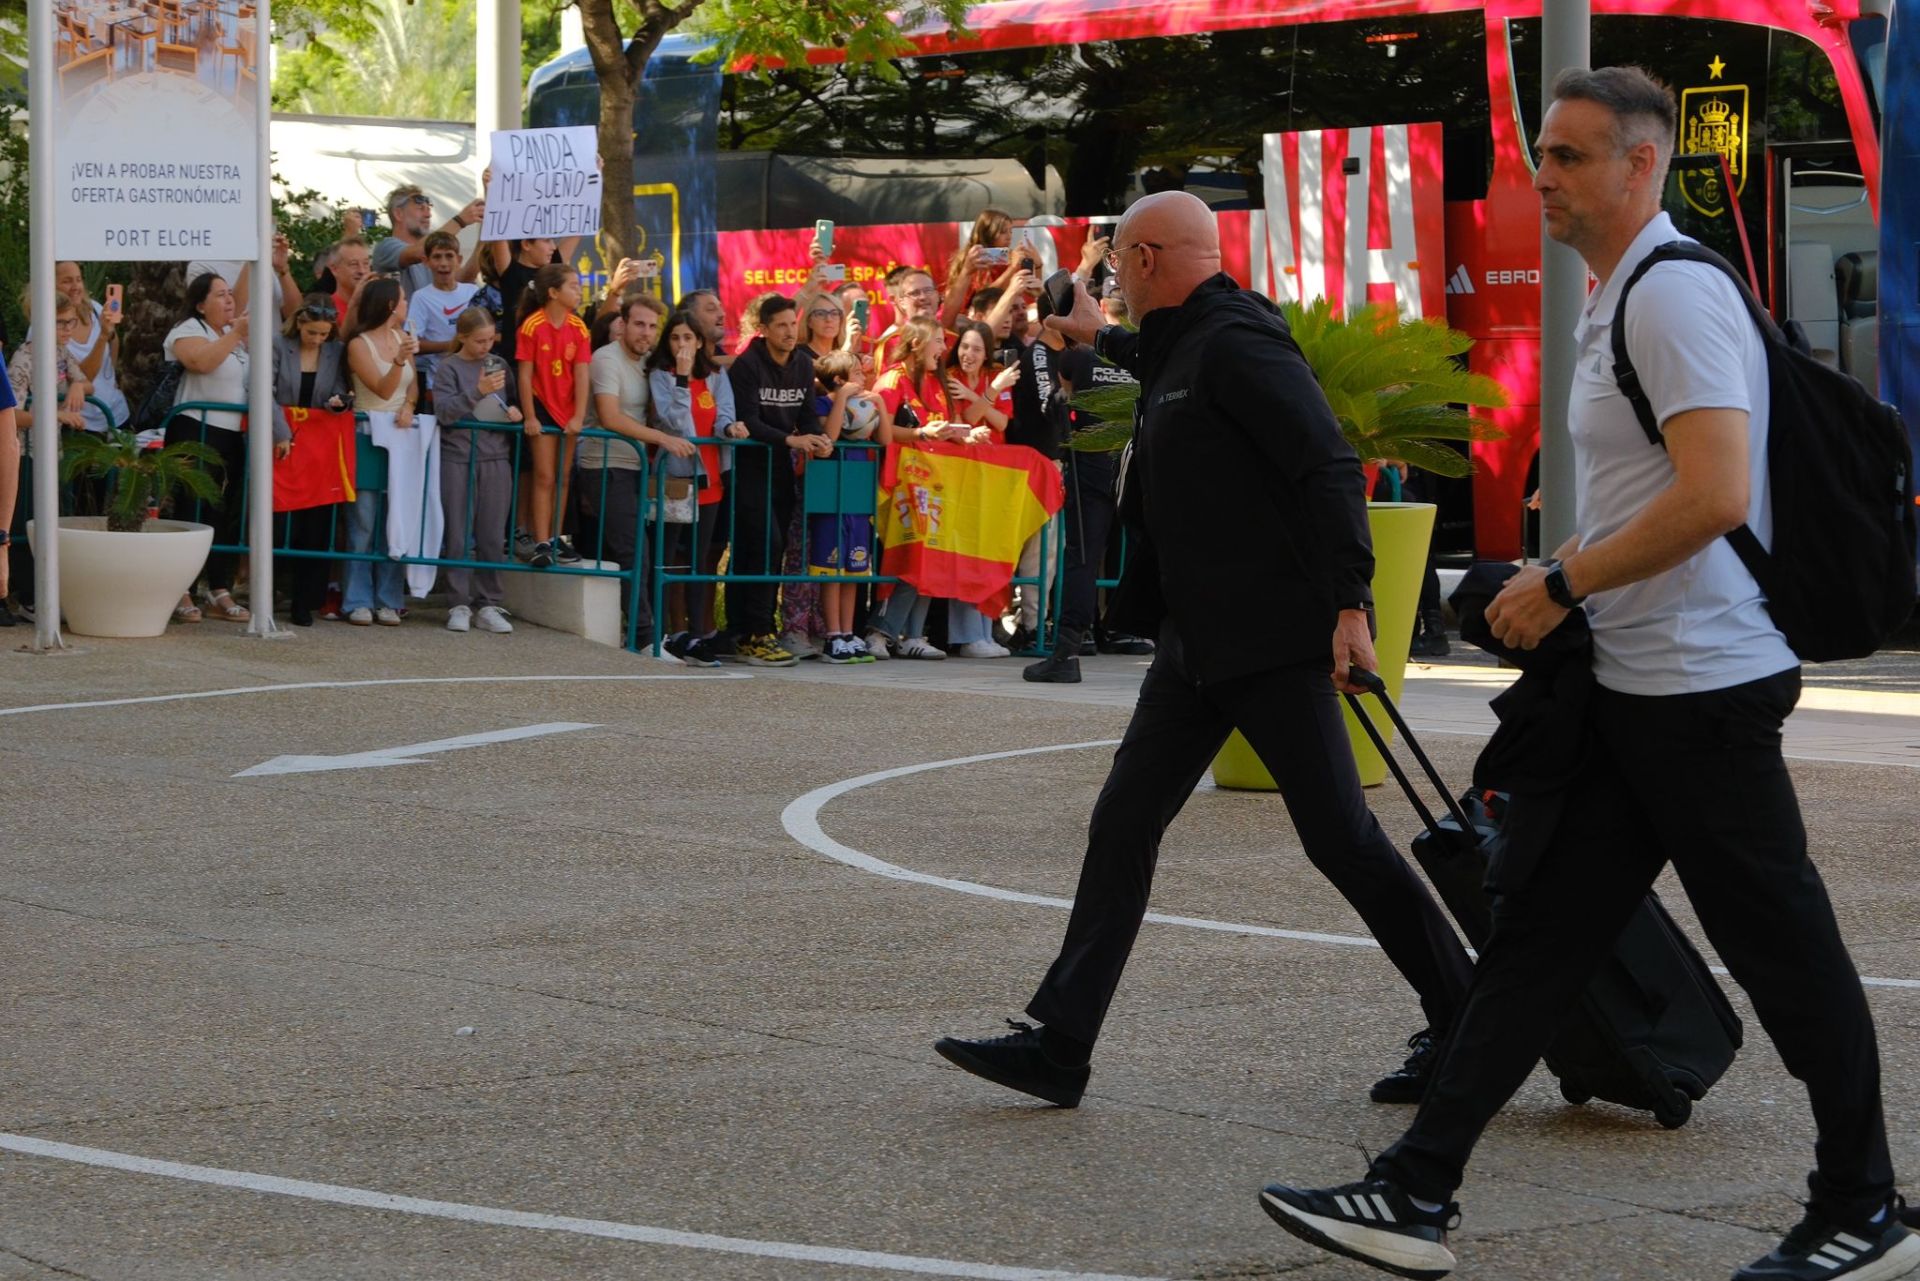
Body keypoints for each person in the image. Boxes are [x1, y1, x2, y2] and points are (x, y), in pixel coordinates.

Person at [1257, 67, 1917, 1281]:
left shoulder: (1671, 296)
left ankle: (1864, 1208)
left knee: (1783, 950)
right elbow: (1650, 489)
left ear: (1640, 164)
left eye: (1569, 156)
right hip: (1634, 683)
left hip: (1704, 690)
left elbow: (1717, 493)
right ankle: (1414, 1192)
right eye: (1544, 154)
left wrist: (1562, 583)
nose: (1544, 177)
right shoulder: (1619, 296)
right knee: (1541, 940)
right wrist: (1555, 567)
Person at [931, 190, 1472, 1114]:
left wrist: (1351, 604)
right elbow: (1151, 357)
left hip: (1269, 640)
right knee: (1124, 819)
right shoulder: (1184, 341)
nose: (1114, 285)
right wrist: (1095, 335)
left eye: (1117, 270)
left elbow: (1329, 465)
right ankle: (1061, 1044)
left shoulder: (1238, 341)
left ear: (1145, 260)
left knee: (1340, 839)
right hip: (1197, 645)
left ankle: (1463, 1014)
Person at [724, 293, 831, 666]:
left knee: (776, 547)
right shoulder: (747, 365)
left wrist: (819, 438)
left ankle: (751, 631)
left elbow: (807, 416)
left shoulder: (802, 363)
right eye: (781, 325)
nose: (789, 331)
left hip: (781, 469)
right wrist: (790, 440)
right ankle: (754, 632)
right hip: (749, 466)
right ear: (764, 329)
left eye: (792, 324)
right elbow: (749, 420)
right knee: (761, 544)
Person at [581, 292, 692, 646]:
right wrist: (663, 439)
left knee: (641, 554)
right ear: (623, 324)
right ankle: (644, 639)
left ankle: (641, 634)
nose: (646, 332)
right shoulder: (606, 359)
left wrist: (684, 375)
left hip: (638, 468)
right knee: (634, 552)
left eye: (652, 326)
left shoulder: (650, 363)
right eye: (639, 324)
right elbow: (610, 417)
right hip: (604, 465)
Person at [864, 317, 970, 661]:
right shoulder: (892, 380)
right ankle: (879, 632)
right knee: (903, 558)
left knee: (928, 558)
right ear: (916, 344)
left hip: (931, 484)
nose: (944, 348)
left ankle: (913, 635)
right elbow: (880, 430)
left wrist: (960, 434)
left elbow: (937, 426)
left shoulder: (936, 382)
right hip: (897, 484)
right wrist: (921, 434)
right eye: (937, 341)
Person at [651, 309, 749, 665]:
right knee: (667, 557)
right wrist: (681, 377)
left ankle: (695, 635)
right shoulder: (661, 376)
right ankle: (661, 632)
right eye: (675, 337)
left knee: (699, 559)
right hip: (677, 478)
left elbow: (723, 414)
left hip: (710, 478)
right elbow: (674, 421)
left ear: (699, 342)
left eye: (688, 338)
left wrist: (730, 428)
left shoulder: (716, 375)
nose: (682, 344)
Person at [163, 272, 252, 623]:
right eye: (220, 295)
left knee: (222, 513)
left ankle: (218, 587)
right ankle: (180, 589)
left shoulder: (233, 335)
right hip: (194, 429)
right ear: (200, 304)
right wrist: (235, 334)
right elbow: (200, 362)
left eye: (230, 293)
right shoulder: (188, 329)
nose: (229, 300)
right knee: (191, 509)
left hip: (231, 435)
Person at [432, 307, 520, 635]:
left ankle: (489, 603)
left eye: (490, 340)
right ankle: (458, 602)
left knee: (492, 535)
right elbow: (444, 412)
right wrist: (477, 392)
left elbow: (510, 402)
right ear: (463, 337)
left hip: (495, 457)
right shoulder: (448, 367)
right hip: (457, 457)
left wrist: (514, 412)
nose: (486, 347)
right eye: (479, 341)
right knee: (458, 533)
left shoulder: (499, 364)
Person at [270, 295, 352, 627]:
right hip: (282, 443)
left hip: (319, 447)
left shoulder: (336, 350)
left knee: (316, 524)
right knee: (278, 522)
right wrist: (280, 432)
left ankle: (304, 601)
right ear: (299, 324)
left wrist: (338, 403)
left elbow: (339, 391)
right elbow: (263, 390)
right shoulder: (278, 345)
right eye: (312, 333)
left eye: (324, 334)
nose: (318, 340)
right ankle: (270, 590)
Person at [342, 278, 417, 626]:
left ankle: (389, 598)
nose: (406, 304)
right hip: (367, 434)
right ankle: (357, 598)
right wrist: (399, 362)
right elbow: (383, 390)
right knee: (363, 521)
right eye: (402, 299)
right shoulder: (359, 345)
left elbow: (412, 388)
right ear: (389, 305)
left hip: (401, 438)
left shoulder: (403, 338)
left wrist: (410, 406)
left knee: (394, 519)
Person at [513, 263, 592, 569]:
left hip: (568, 410)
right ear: (553, 292)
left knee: (563, 476)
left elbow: (582, 374)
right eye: (573, 286)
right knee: (544, 475)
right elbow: (524, 375)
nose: (579, 291)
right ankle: (542, 540)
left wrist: (579, 415)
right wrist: (530, 416)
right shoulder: (532, 326)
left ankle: (557, 537)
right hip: (543, 405)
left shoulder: (579, 327)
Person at [806, 349, 881, 663]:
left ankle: (849, 632)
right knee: (832, 568)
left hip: (857, 492)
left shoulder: (865, 406)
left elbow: (885, 439)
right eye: (857, 374)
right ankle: (833, 635)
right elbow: (831, 435)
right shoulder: (824, 404)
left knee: (854, 570)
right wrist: (841, 398)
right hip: (830, 493)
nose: (863, 378)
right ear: (839, 380)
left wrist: (881, 405)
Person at [52, 261, 129, 437]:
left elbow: (113, 340)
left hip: (116, 414)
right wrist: (102, 337)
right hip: (78, 424)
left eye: (78, 279)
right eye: (67, 281)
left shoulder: (94, 308)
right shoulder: (45, 326)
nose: (75, 287)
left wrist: (111, 378)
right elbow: (82, 378)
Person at [408, 230, 481, 409]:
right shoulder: (421, 297)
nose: (443, 263)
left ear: (459, 259)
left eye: (449, 256)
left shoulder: (472, 292)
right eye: (437, 257)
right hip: (440, 385)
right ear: (426, 261)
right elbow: (413, 344)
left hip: (474, 384)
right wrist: (452, 345)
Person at [371, 182, 484, 296]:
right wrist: (460, 220)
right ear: (398, 214)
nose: (428, 215)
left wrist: (484, 240)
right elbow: (420, 251)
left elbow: (463, 279)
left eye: (428, 209)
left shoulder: (430, 252)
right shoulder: (385, 248)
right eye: (421, 208)